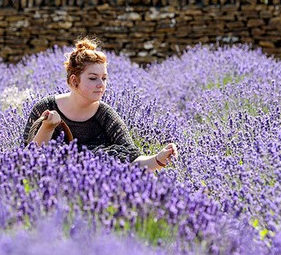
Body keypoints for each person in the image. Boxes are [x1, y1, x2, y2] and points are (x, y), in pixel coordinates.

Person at [23, 38, 177, 172]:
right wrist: (47, 127)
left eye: (104, 78)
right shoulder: (45, 108)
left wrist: (159, 158)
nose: (101, 85)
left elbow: (133, 160)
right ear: (74, 81)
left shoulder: (105, 115)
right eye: (93, 78)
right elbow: (27, 160)